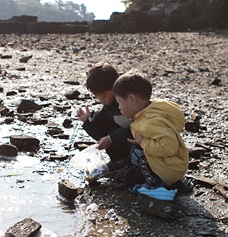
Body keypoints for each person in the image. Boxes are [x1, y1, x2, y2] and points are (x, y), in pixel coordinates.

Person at [112, 70, 189, 199]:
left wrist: (143, 143)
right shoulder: (150, 110)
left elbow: (170, 147)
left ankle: (157, 187)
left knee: (136, 151)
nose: (119, 107)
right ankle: (164, 182)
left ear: (132, 99)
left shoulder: (150, 121)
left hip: (170, 168)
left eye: (119, 103)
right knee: (129, 175)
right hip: (170, 164)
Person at [76, 62, 132, 171]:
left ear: (114, 88)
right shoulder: (106, 111)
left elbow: (136, 127)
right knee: (98, 119)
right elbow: (98, 136)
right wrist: (87, 121)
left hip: (136, 145)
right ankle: (118, 162)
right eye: (97, 97)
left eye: (104, 96)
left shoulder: (127, 103)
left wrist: (111, 138)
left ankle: (130, 163)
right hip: (120, 147)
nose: (101, 100)